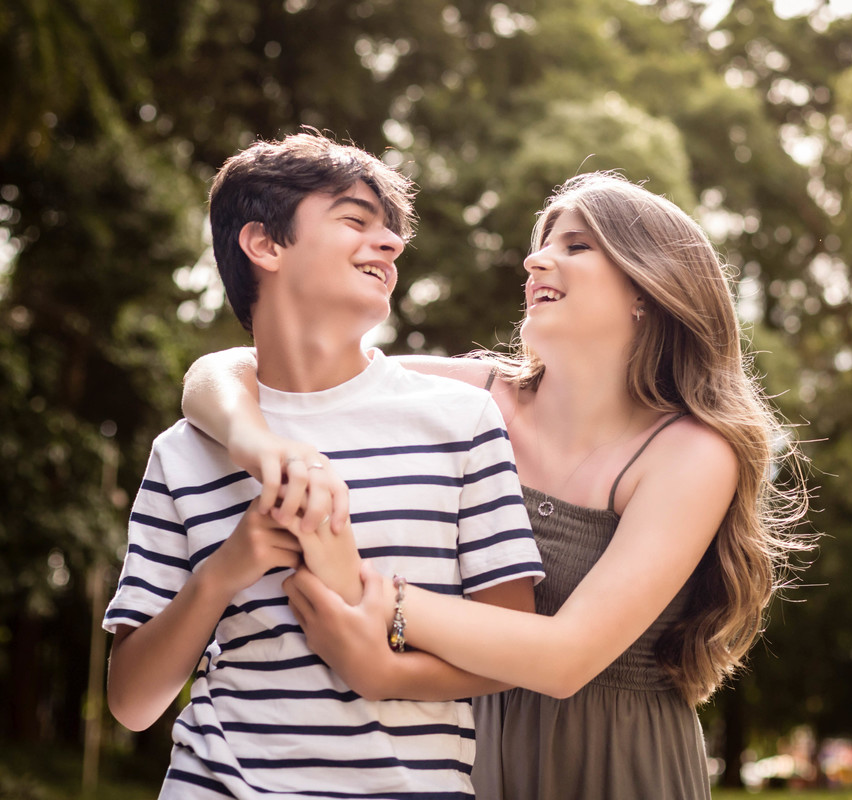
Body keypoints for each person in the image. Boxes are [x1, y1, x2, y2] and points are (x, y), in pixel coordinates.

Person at [182, 172, 809, 799]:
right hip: (465, 743)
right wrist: (258, 444)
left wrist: (381, 616)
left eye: (576, 246)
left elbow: (566, 658)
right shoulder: (462, 400)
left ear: (647, 287)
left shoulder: (693, 452)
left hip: (613, 762)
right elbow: (227, 371)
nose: (536, 259)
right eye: (542, 244)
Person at [104, 132, 544, 799]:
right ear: (266, 245)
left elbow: (513, 648)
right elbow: (132, 702)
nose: (391, 244)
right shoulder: (185, 449)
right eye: (355, 220)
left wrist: (382, 665)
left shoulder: (461, 422)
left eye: (391, 230)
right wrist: (226, 570)